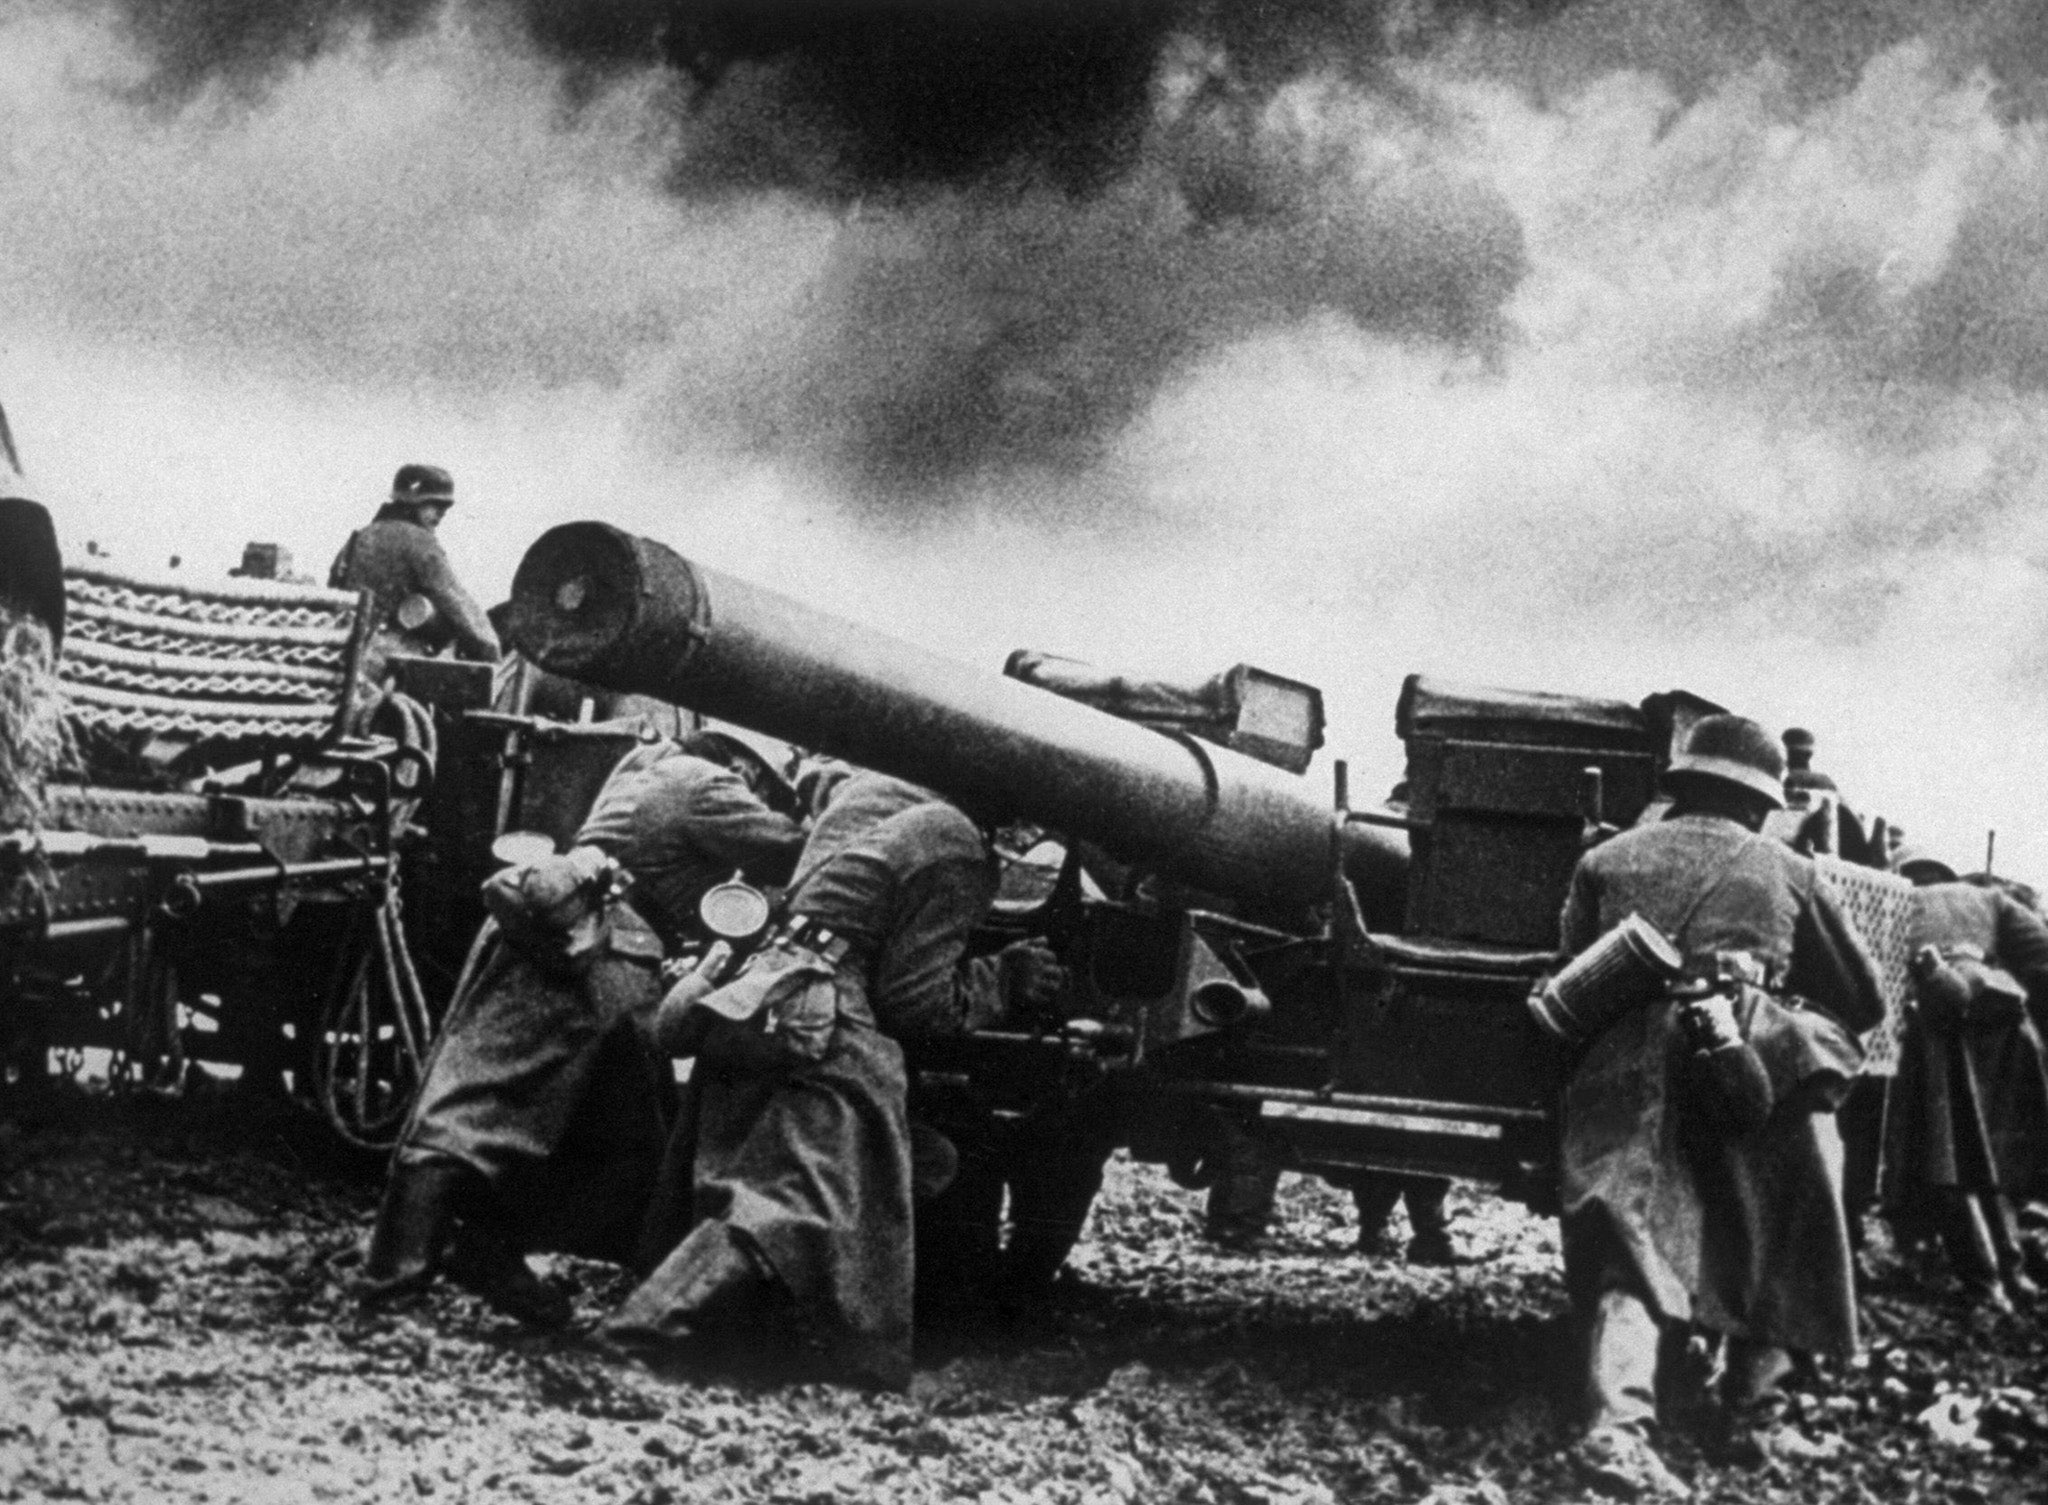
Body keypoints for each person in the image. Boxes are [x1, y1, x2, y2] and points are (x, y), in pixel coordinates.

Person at [599, 768, 1064, 1389]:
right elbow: (915, 1003)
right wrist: (1004, 979)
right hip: (826, 1020)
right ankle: (638, 1333)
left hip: (765, 996)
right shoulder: (959, 852)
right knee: (798, 1199)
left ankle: (767, 1335)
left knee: (881, 1167)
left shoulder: (878, 799)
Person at [358, 738, 805, 1325]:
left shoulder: (646, 770)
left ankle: (488, 1251)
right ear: (747, 768)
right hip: (596, 956)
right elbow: (791, 852)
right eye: (766, 791)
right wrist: (832, 805)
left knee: (583, 1122)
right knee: (477, 1110)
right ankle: (396, 1283)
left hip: (586, 946)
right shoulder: (708, 784)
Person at [1555, 714, 1885, 1496]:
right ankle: (1757, 1417)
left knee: (1632, 1234)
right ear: (1762, 799)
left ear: (1683, 782)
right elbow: (1863, 997)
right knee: (1782, 1221)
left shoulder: (1603, 857)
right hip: (1753, 1063)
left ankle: (1618, 1426)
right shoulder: (1791, 869)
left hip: (1626, 1058)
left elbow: (1569, 965)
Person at [1881, 850, 2048, 1308]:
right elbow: (2041, 957)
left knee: (1948, 1158)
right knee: (1990, 1157)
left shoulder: (1891, 901)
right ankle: (2015, 1276)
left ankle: (1985, 1283)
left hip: (1932, 1034)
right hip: (2001, 1032)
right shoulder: (1987, 898)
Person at [329, 464, 500, 676]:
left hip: (344, 657)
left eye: (445, 508)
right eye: (435, 505)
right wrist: (490, 649)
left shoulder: (359, 537)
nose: (441, 514)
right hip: (388, 664)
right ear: (411, 502)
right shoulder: (419, 541)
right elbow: (454, 599)